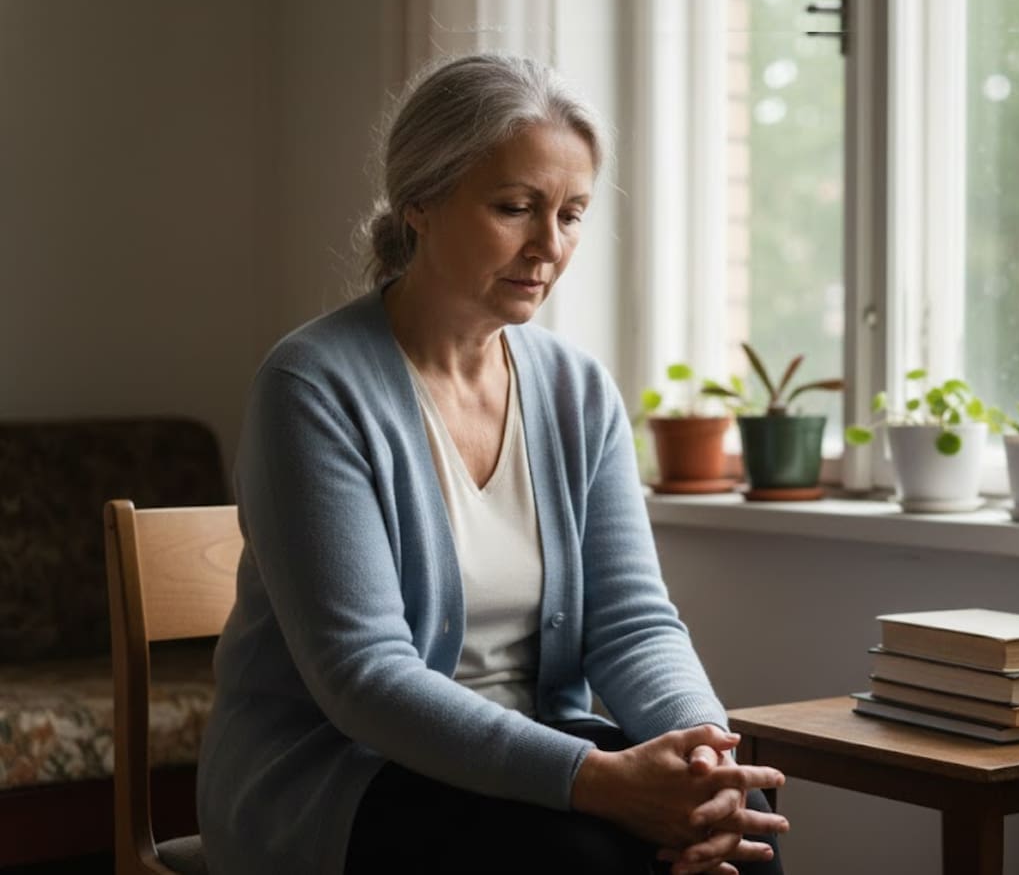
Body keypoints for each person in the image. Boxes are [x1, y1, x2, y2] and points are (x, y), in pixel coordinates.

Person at [197, 52, 789, 875]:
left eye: (573, 214)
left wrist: (706, 760)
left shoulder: (577, 390)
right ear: (421, 205)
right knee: (585, 858)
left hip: (539, 760)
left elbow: (631, 623)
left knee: (742, 831)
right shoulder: (312, 387)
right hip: (338, 781)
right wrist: (595, 781)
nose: (548, 245)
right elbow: (366, 678)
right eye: (516, 208)